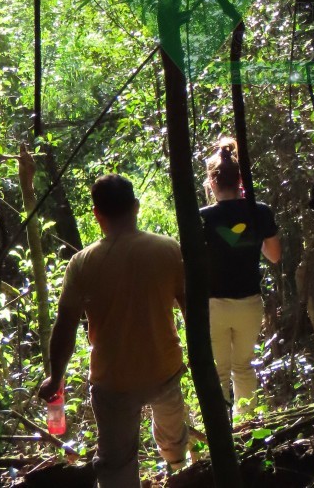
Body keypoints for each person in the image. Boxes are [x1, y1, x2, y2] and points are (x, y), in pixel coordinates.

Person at [39, 174, 188, 487]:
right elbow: (191, 309)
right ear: (135, 206)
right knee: (176, 445)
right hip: (165, 369)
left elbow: (65, 325)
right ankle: (181, 474)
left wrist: (56, 376)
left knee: (117, 466)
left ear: (97, 214)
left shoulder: (82, 263)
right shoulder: (167, 249)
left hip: (114, 382)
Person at [200, 137, 281, 417]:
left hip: (214, 305)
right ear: (241, 182)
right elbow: (274, 255)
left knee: (219, 371)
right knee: (243, 366)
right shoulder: (259, 212)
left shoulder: (202, 218)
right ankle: (246, 427)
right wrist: (249, 233)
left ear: (212, 184)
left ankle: (221, 430)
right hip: (249, 302)